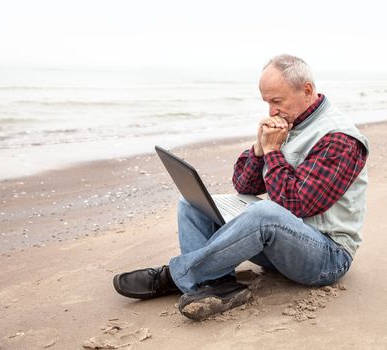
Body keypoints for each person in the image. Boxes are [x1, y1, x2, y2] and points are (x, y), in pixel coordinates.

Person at [113, 54, 369, 321]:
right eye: (267, 102)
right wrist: (260, 149)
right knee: (193, 203)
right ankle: (219, 285)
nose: (271, 111)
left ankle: (177, 276)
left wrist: (273, 150)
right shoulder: (288, 123)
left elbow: (296, 205)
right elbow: (244, 186)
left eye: (277, 101)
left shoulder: (339, 138)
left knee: (264, 214)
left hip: (326, 257)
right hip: (281, 246)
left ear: (306, 90)